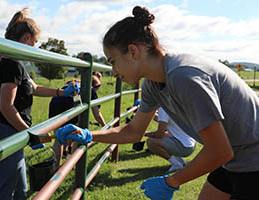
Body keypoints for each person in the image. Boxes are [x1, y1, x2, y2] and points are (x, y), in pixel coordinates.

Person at [56, 5, 259, 200]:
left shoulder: (183, 76)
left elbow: (219, 151)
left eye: (112, 61)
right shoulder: (153, 84)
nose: (115, 72)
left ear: (133, 51)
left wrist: (171, 181)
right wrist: (91, 135)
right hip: (236, 158)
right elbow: (134, 131)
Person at [0, 8, 79, 200]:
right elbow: (6, 106)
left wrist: (61, 92)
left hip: (12, 130)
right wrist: (29, 133)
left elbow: (34, 88)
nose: (35, 47)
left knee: (21, 191)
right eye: (35, 42)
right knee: (2, 193)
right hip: (7, 131)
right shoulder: (12, 64)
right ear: (27, 38)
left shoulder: (17, 63)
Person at [49, 75, 106, 169]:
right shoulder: (90, 89)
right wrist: (105, 126)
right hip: (70, 104)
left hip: (55, 103)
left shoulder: (72, 84)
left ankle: (55, 170)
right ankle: (75, 166)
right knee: (77, 133)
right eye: (98, 87)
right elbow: (97, 114)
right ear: (94, 86)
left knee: (58, 137)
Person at [145, 107, 196, 173]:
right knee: (166, 135)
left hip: (184, 148)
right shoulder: (172, 105)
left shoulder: (163, 109)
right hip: (190, 145)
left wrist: (145, 134)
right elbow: (163, 120)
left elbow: (159, 134)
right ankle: (181, 161)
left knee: (151, 142)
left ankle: (176, 164)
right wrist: (150, 112)